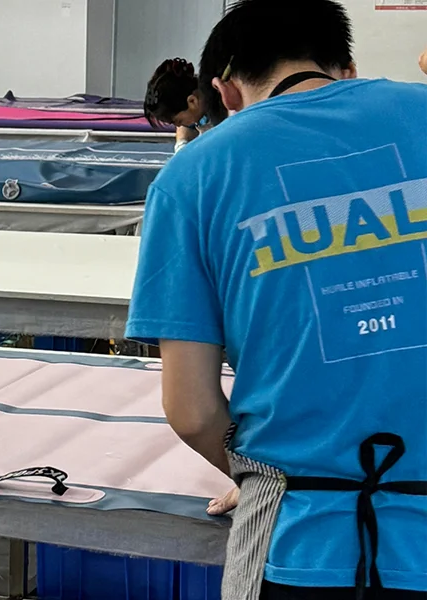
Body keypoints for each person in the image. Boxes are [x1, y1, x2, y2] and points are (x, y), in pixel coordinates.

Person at [125, 0, 427, 599]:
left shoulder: (192, 176)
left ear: (225, 92)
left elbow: (192, 410)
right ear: (346, 67)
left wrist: (263, 478)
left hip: (299, 536)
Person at [143, 58, 210, 151]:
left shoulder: (225, 106)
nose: (179, 126)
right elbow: (185, 126)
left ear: (192, 101)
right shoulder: (196, 111)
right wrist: (181, 145)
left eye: (179, 121)